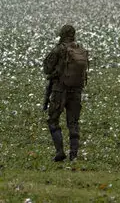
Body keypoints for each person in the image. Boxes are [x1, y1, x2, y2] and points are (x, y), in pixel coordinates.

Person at [43, 24, 89, 161]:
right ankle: (73, 155)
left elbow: (47, 68)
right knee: (73, 122)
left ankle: (60, 152)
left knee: (53, 120)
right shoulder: (80, 49)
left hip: (59, 90)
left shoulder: (59, 49)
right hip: (76, 90)